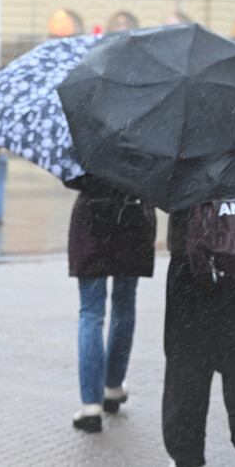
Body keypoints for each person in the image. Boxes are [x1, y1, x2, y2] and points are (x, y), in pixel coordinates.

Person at [161, 170, 235, 467]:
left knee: (187, 360)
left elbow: (164, 192)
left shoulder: (183, 144)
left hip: (192, 262)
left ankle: (187, 453)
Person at [65, 174, 156, 433]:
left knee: (91, 313)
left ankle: (91, 405)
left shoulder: (87, 145)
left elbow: (71, 177)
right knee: (124, 307)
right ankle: (113, 386)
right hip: (132, 217)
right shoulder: (143, 145)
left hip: (92, 220)